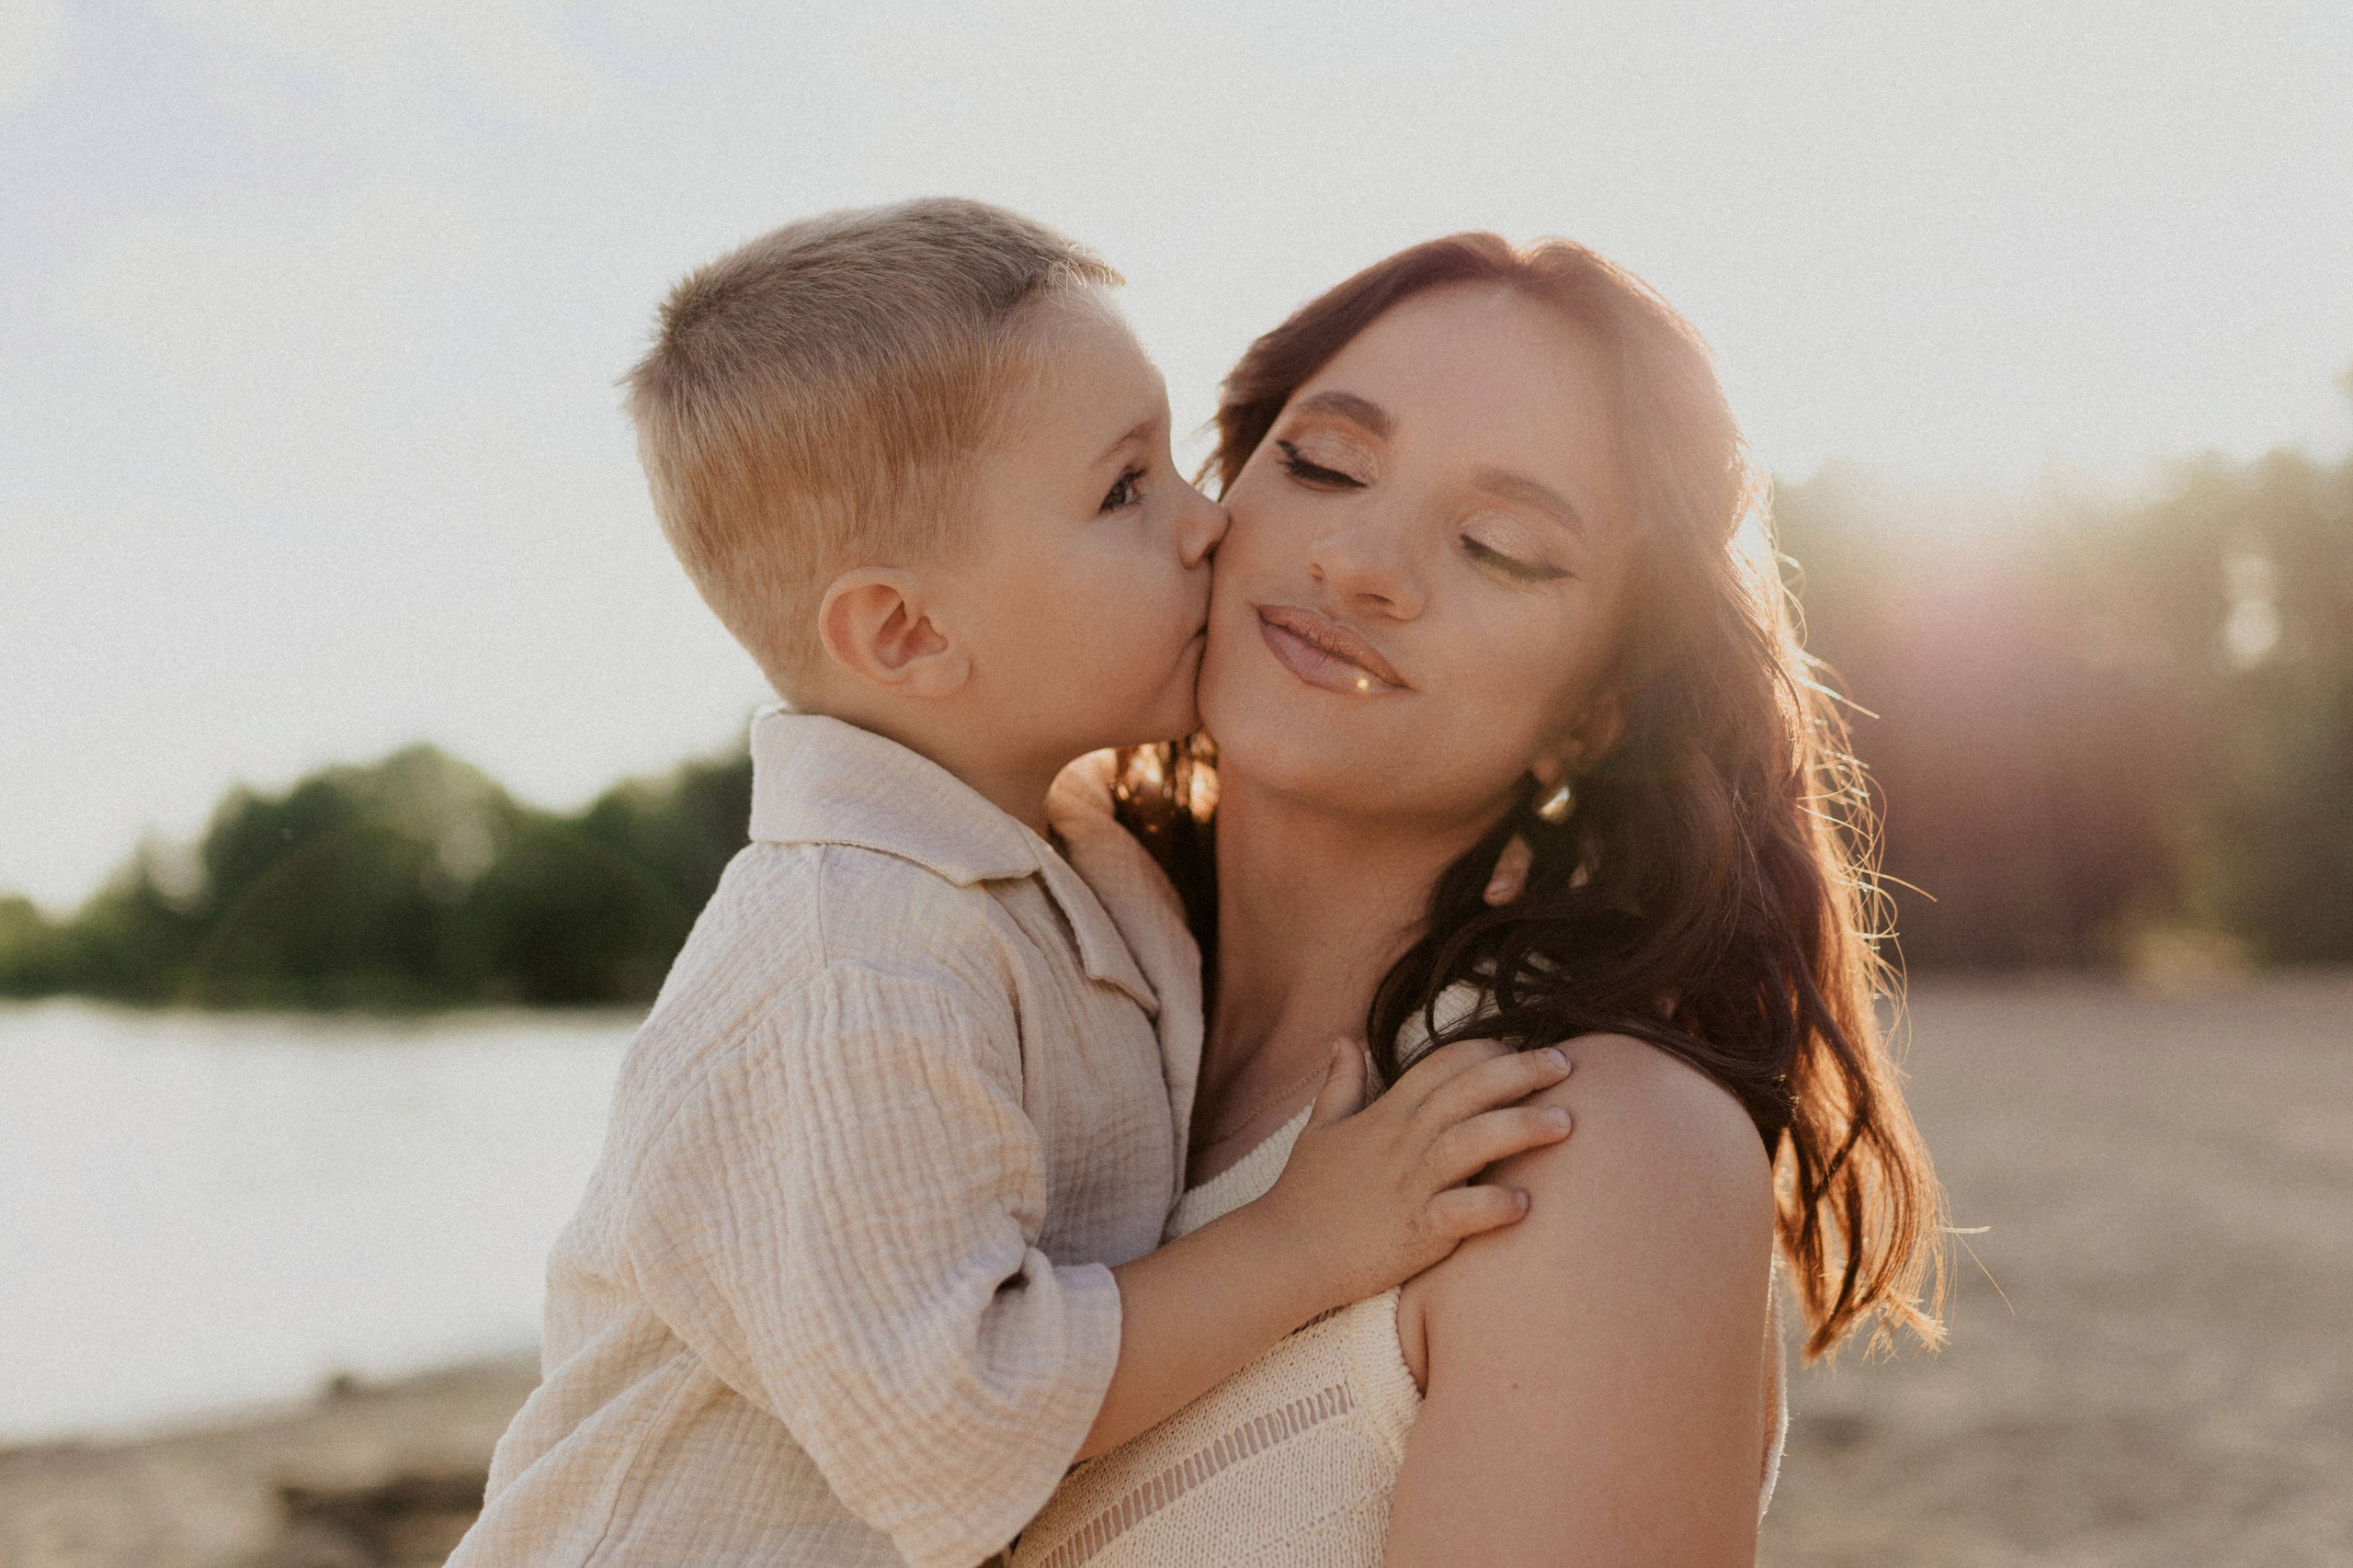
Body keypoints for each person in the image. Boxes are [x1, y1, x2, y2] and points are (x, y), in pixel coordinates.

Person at [449, 201, 1579, 1568]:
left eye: (1175, 463)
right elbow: (966, 1419)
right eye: (1124, 489)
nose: (1209, 523)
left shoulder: (1064, 871)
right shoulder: (843, 964)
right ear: (909, 632)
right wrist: (1300, 1241)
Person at [1014, 233, 1946, 1566]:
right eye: (1325, 460)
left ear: (1596, 711)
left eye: (1502, 546)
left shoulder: (1586, 1147)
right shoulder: (1002, 996)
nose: (1363, 559)